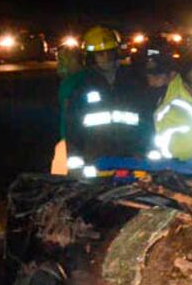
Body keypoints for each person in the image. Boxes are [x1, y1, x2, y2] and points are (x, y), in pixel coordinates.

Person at [61, 26, 150, 177]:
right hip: (95, 155)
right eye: (100, 54)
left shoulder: (133, 81)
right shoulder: (82, 86)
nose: (106, 58)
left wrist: (145, 149)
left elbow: (146, 115)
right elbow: (72, 123)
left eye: (109, 52)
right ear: (91, 57)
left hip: (132, 154)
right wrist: (76, 156)